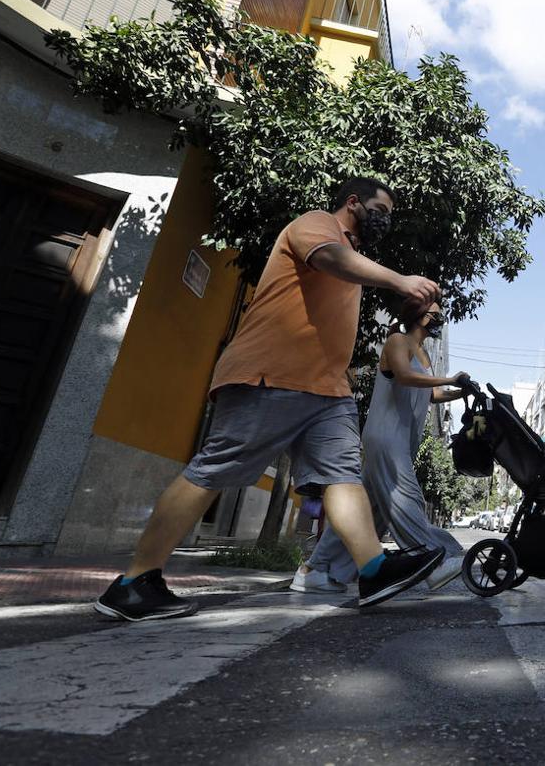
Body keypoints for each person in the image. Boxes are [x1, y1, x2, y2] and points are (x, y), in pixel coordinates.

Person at [96, 178, 444, 621]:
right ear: (353, 203)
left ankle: (374, 570)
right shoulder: (318, 226)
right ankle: (134, 583)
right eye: (380, 208)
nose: (386, 219)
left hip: (327, 388)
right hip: (273, 375)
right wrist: (399, 281)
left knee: (342, 474)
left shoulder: (356, 259)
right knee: (215, 468)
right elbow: (329, 260)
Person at [293, 297, 470, 593]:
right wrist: (450, 377)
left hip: (402, 439)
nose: (440, 321)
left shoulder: (424, 354)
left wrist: (458, 391)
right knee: (406, 496)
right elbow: (404, 375)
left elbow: (431, 395)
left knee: (361, 515)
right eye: (436, 315)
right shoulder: (397, 341)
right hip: (386, 437)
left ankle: (316, 570)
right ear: (420, 316)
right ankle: (432, 562)